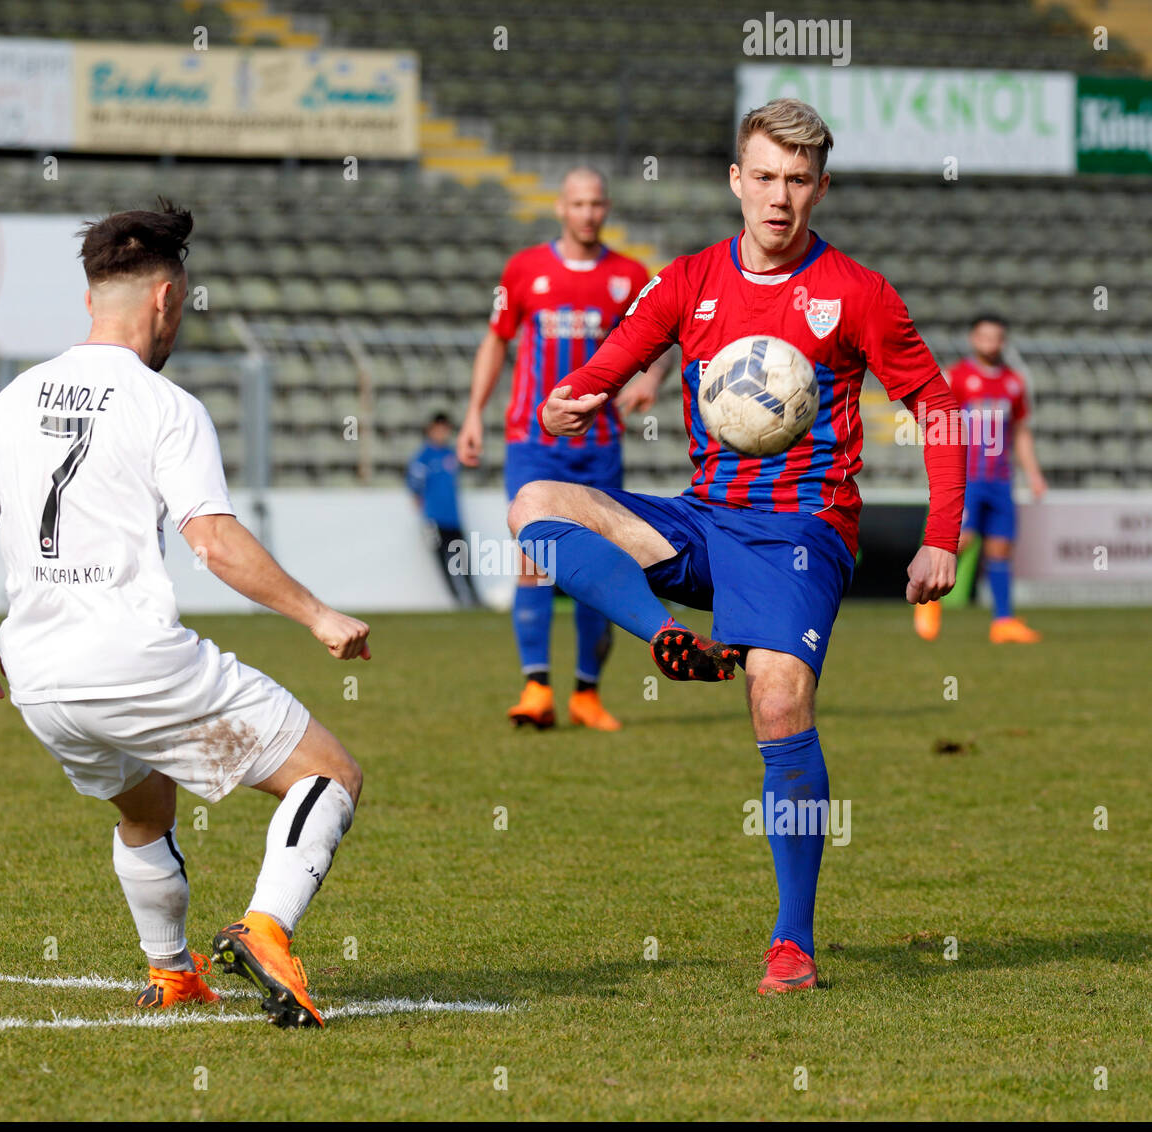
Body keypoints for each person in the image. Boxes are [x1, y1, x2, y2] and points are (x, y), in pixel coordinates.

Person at [507, 99, 966, 994]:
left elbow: (939, 406)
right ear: (736, 180)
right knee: (535, 502)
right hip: (705, 517)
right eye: (764, 177)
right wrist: (581, 393)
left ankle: (792, 942)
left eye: (798, 181)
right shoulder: (690, 279)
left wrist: (940, 537)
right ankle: (666, 639)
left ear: (821, 188)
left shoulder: (859, 294)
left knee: (778, 698)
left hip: (803, 534)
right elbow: (625, 349)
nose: (779, 197)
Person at [0, 199, 370, 1029]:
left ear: (92, 298)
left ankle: (172, 974)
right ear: (168, 299)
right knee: (329, 773)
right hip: (133, 658)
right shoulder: (164, 405)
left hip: (40, 680)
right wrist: (316, 614)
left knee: (145, 809)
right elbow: (213, 541)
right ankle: (266, 929)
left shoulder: (14, 398)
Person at [457, 166, 664, 732]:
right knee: (535, 561)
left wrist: (651, 380)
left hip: (599, 445)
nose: (588, 213)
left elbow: (661, 338)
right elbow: (496, 342)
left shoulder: (629, 276)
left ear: (607, 207)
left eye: (597, 203)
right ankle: (536, 688)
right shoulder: (525, 270)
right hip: (533, 440)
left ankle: (587, 694)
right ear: (561, 207)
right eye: (578, 203)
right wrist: (474, 413)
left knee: (601, 566)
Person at [914, 313, 1046, 643]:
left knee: (1000, 549)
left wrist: (1033, 474)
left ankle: (1003, 621)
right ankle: (928, 601)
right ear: (974, 339)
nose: (991, 343)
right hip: (967, 477)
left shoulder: (1014, 382)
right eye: (984, 336)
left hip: (1001, 479)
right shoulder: (957, 377)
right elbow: (937, 420)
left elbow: (1020, 432)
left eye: (997, 337)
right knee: (959, 540)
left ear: (1003, 341)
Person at [407, 411, 479, 607]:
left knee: (463, 560)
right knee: (445, 563)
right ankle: (458, 600)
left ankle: (474, 598)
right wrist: (425, 516)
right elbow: (414, 488)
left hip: (453, 517)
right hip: (434, 520)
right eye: (438, 429)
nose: (441, 433)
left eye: (444, 429)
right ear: (430, 430)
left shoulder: (451, 455)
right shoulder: (423, 457)